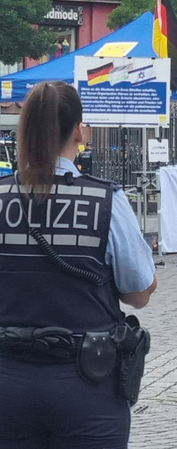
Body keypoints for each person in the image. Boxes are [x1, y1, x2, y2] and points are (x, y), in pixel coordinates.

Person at [0, 81, 157, 449]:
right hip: (86, 384)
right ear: (79, 131)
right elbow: (139, 294)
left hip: (7, 382)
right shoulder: (106, 200)